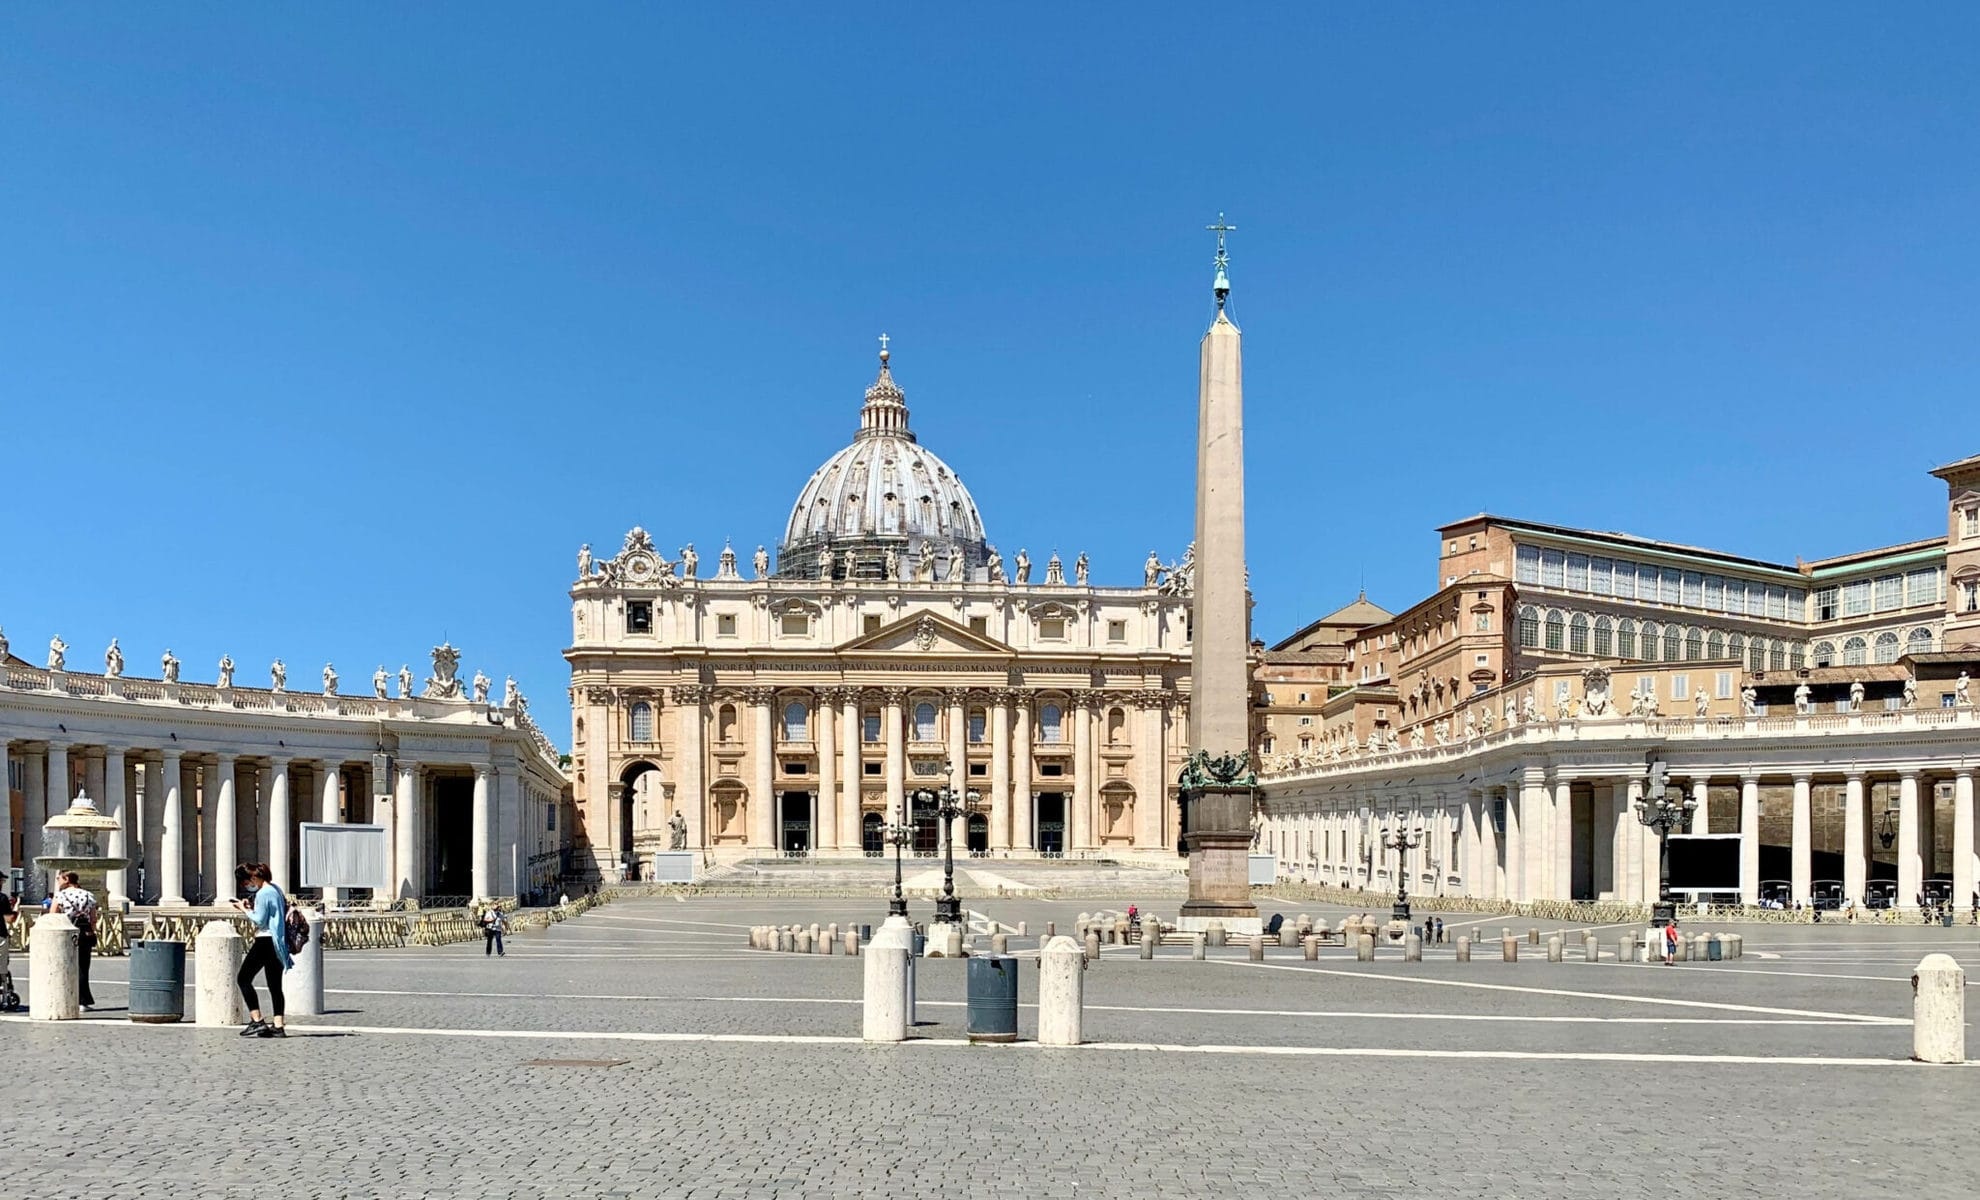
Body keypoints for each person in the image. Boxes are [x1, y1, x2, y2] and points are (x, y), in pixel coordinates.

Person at [230, 862, 292, 1038]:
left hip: (265, 940)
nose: (246, 886)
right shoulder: (276, 889)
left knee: (243, 978)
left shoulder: (263, 893)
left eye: (245, 882)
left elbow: (259, 920)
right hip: (278, 941)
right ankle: (278, 1026)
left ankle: (257, 1020)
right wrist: (251, 908)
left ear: (253, 877)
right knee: (275, 985)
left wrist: (244, 909)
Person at [50, 871, 101, 1009]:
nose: (58, 881)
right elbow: (93, 918)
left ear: (66, 879)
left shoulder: (60, 895)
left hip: (66, 933)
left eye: (59, 879)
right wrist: (91, 930)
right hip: (84, 933)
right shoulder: (88, 895)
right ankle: (83, 1001)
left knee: (65, 965)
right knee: (83, 967)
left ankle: (66, 996)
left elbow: (53, 915)